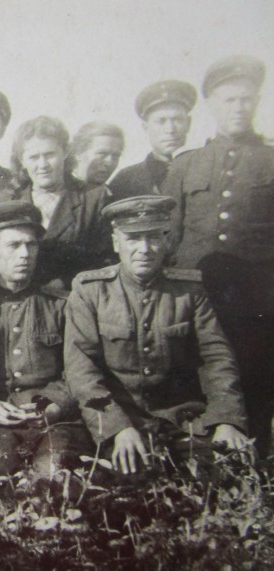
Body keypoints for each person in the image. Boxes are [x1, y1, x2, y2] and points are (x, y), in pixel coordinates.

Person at [65, 195, 249, 477]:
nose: (144, 249)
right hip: (120, 419)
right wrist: (117, 428)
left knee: (227, 472)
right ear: (116, 243)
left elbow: (216, 358)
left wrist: (227, 420)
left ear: (166, 241)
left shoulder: (189, 291)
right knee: (129, 484)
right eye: (133, 238)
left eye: (153, 237)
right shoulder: (90, 291)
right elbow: (81, 371)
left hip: (181, 419)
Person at [162, 55, 274, 457]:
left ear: (257, 101)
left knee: (255, 380)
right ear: (211, 104)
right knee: (196, 380)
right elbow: (169, 236)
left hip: (256, 301)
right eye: (229, 100)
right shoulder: (186, 164)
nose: (239, 108)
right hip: (197, 296)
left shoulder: (270, 159)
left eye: (246, 99)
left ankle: (256, 470)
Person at [0, 202, 92, 493]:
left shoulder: (62, 305)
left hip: (57, 421)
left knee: (55, 476)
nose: (24, 254)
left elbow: (80, 369)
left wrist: (54, 405)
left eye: (31, 245)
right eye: (13, 245)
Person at [0, 116, 112, 288]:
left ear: (65, 152)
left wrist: (65, 281)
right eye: (34, 157)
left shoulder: (93, 198)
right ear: (22, 160)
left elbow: (104, 260)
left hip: (73, 297)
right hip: (19, 296)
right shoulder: (7, 199)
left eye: (50, 155)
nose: (43, 165)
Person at [110, 80, 197, 201]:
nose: (170, 129)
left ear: (188, 123)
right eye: (161, 121)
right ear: (146, 128)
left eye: (177, 120)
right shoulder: (125, 180)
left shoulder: (208, 168)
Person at [68, 121, 125, 189]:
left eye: (116, 156)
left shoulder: (116, 194)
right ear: (78, 153)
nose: (110, 163)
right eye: (102, 154)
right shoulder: (59, 193)